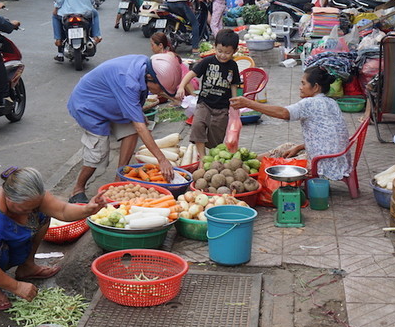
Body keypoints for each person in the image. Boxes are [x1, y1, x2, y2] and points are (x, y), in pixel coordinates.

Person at [0, 168, 107, 309]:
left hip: (5, 249)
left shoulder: (33, 196)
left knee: (43, 215)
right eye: (25, 209)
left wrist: (88, 209)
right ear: (10, 200)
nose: (30, 213)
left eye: (34, 206)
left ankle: (27, 266)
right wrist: (16, 286)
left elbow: (63, 210)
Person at [66, 53, 182, 203]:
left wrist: (138, 112)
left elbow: (136, 104)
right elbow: (141, 127)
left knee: (131, 130)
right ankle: (77, 189)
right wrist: (162, 159)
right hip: (88, 105)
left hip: (112, 100)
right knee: (98, 152)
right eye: (159, 89)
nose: (159, 93)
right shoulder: (129, 81)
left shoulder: (145, 66)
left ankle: (118, 178)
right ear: (150, 78)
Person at [231, 66, 351, 180]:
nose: (300, 87)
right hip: (338, 160)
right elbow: (327, 137)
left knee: (276, 163)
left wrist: (249, 103)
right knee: (287, 147)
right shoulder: (332, 103)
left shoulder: (310, 103)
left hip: (323, 164)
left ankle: (241, 167)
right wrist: (299, 147)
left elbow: (283, 113)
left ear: (315, 87)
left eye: (303, 83)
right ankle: (243, 163)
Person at [176, 29, 242, 161]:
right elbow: (191, 73)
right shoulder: (208, 62)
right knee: (198, 125)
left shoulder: (233, 66)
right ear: (215, 47)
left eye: (227, 53)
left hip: (222, 107)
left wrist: (235, 104)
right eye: (220, 51)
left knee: (216, 135)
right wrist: (182, 86)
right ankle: (203, 157)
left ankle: (212, 158)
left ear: (234, 51)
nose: (223, 55)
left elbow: (234, 84)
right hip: (204, 103)